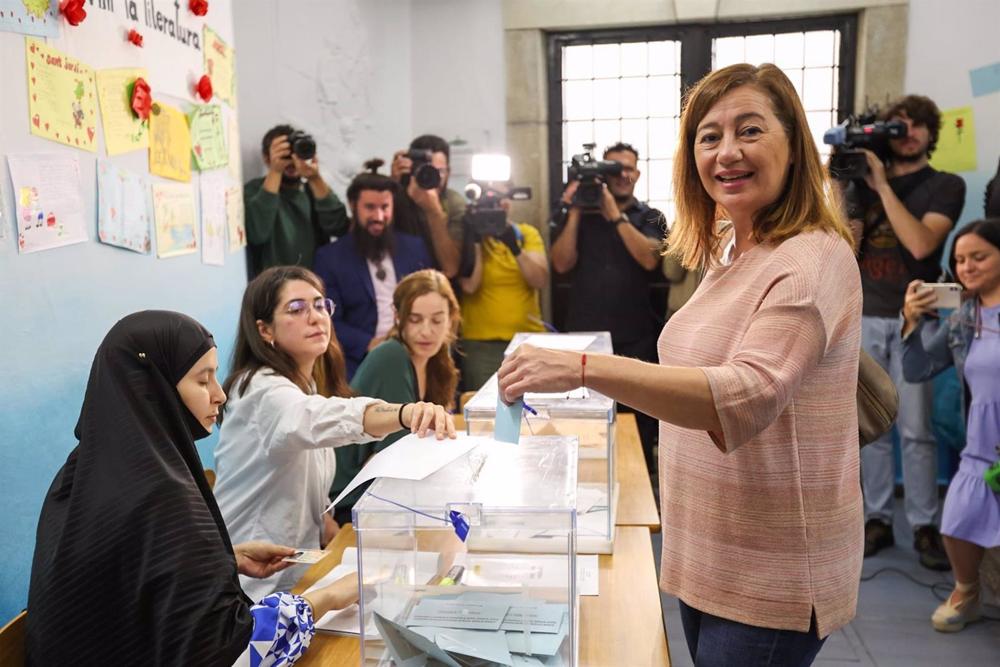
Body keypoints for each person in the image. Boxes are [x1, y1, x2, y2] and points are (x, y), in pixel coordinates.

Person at [499, 63, 862, 665]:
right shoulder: (731, 248)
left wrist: (585, 371)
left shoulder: (811, 258)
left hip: (770, 567)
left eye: (750, 130)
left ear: (795, 146)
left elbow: (747, 391)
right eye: (709, 136)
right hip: (705, 548)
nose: (727, 153)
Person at [26, 311, 360, 666]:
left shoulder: (81, 473)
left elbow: (126, 575)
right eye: (203, 381)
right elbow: (235, 653)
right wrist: (329, 597)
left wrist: (224, 558)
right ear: (155, 390)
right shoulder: (161, 494)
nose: (219, 395)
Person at [212, 266, 456, 602]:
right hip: (252, 589)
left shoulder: (304, 385)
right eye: (296, 309)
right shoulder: (262, 391)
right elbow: (325, 418)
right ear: (264, 330)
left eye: (320, 305)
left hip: (299, 575)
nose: (315, 317)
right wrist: (405, 412)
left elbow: (308, 474)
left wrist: (330, 527)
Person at [842, 95, 966, 569]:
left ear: (932, 134)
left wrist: (882, 184)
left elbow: (920, 243)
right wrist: (846, 184)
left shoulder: (944, 185)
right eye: (898, 125)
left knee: (916, 429)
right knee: (869, 425)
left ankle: (923, 525)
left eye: (917, 125)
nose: (908, 132)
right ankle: (875, 517)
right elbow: (844, 247)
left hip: (916, 316)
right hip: (864, 314)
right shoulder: (862, 185)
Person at [900, 218, 1000, 631]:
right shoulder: (964, 319)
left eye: (979, 257)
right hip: (981, 447)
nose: (967, 267)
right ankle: (967, 592)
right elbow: (917, 369)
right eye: (959, 260)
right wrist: (913, 322)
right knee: (955, 522)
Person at [550, 142, 665, 471]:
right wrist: (575, 210)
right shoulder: (581, 216)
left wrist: (614, 215)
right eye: (612, 168)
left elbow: (649, 259)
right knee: (584, 425)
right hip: (585, 338)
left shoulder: (650, 217)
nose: (620, 175)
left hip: (636, 337)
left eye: (626, 169)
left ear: (637, 174)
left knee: (638, 424)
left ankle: (640, 492)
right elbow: (560, 263)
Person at [330, 269, 462, 525]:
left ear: (451, 319)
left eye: (437, 320)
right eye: (415, 319)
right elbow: (399, 456)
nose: (427, 331)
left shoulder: (438, 357)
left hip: (389, 495)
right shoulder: (391, 357)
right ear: (398, 318)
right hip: (352, 502)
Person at [314, 160, 433, 376]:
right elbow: (327, 318)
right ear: (353, 205)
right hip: (358, 362)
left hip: (414, 356)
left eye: (385, 207)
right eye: (370, 208)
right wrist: (371, 344)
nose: (378, 217)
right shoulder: (330, 258)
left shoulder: (414, 248)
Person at [458, 208, 549, 390]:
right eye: (488, 203)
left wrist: (515, 248)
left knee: (532, 404)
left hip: (526, 339)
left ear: (508, 202)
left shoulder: (525, 233)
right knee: (483, 407)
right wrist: (475, 241)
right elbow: (470, 285)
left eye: (498, 201)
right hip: (480, 345)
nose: (493, 209)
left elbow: (540, 280)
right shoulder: (466, 234)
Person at [244, 124, 349, 276]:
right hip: (271, 286)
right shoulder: (254, 190)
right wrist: (275, 171)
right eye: (285, 155)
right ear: (267, 158)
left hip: (313, 283)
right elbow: (258, 233)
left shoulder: (313, 190)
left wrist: (314, 177)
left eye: (296, 153)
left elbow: (339, 226)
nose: (292, 161)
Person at [390, 134, 467, 278]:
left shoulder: (454, 202)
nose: (432, 176)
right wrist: (392, 185)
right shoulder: (396, 195)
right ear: (411, 169)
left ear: (449, 173)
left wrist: (434, 212)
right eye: (426, 169)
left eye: (440, 171)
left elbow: (451, 268)